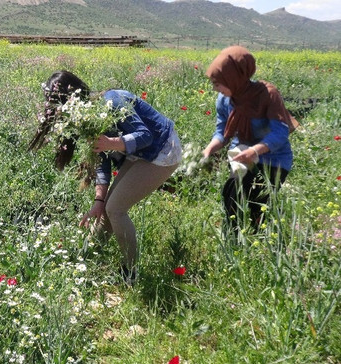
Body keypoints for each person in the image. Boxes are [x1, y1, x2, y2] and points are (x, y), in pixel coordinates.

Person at [29, 70, 182, 282]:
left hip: (163, 149)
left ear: (72, 99)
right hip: (141, 153)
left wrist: (112, 143)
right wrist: (98, 200)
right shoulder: (87, 119)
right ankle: (85, 262)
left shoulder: (113, 100)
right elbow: (101, 160)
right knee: (106, 208)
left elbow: (145, 135)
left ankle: (131, 273)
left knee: (116, 209)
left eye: (61, 108)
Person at [201, 46, 298, 234]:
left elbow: (280, 132)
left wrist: (254, 151)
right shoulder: (224, 100)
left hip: (274, 160)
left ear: (234, 79)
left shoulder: (267, 95)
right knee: (231, 196)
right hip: (241, 155)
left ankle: (259, 243)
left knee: (257, 203)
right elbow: (222, 132)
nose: (214, 88)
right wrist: (208, 149)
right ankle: (234, 241)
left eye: (218, 83)